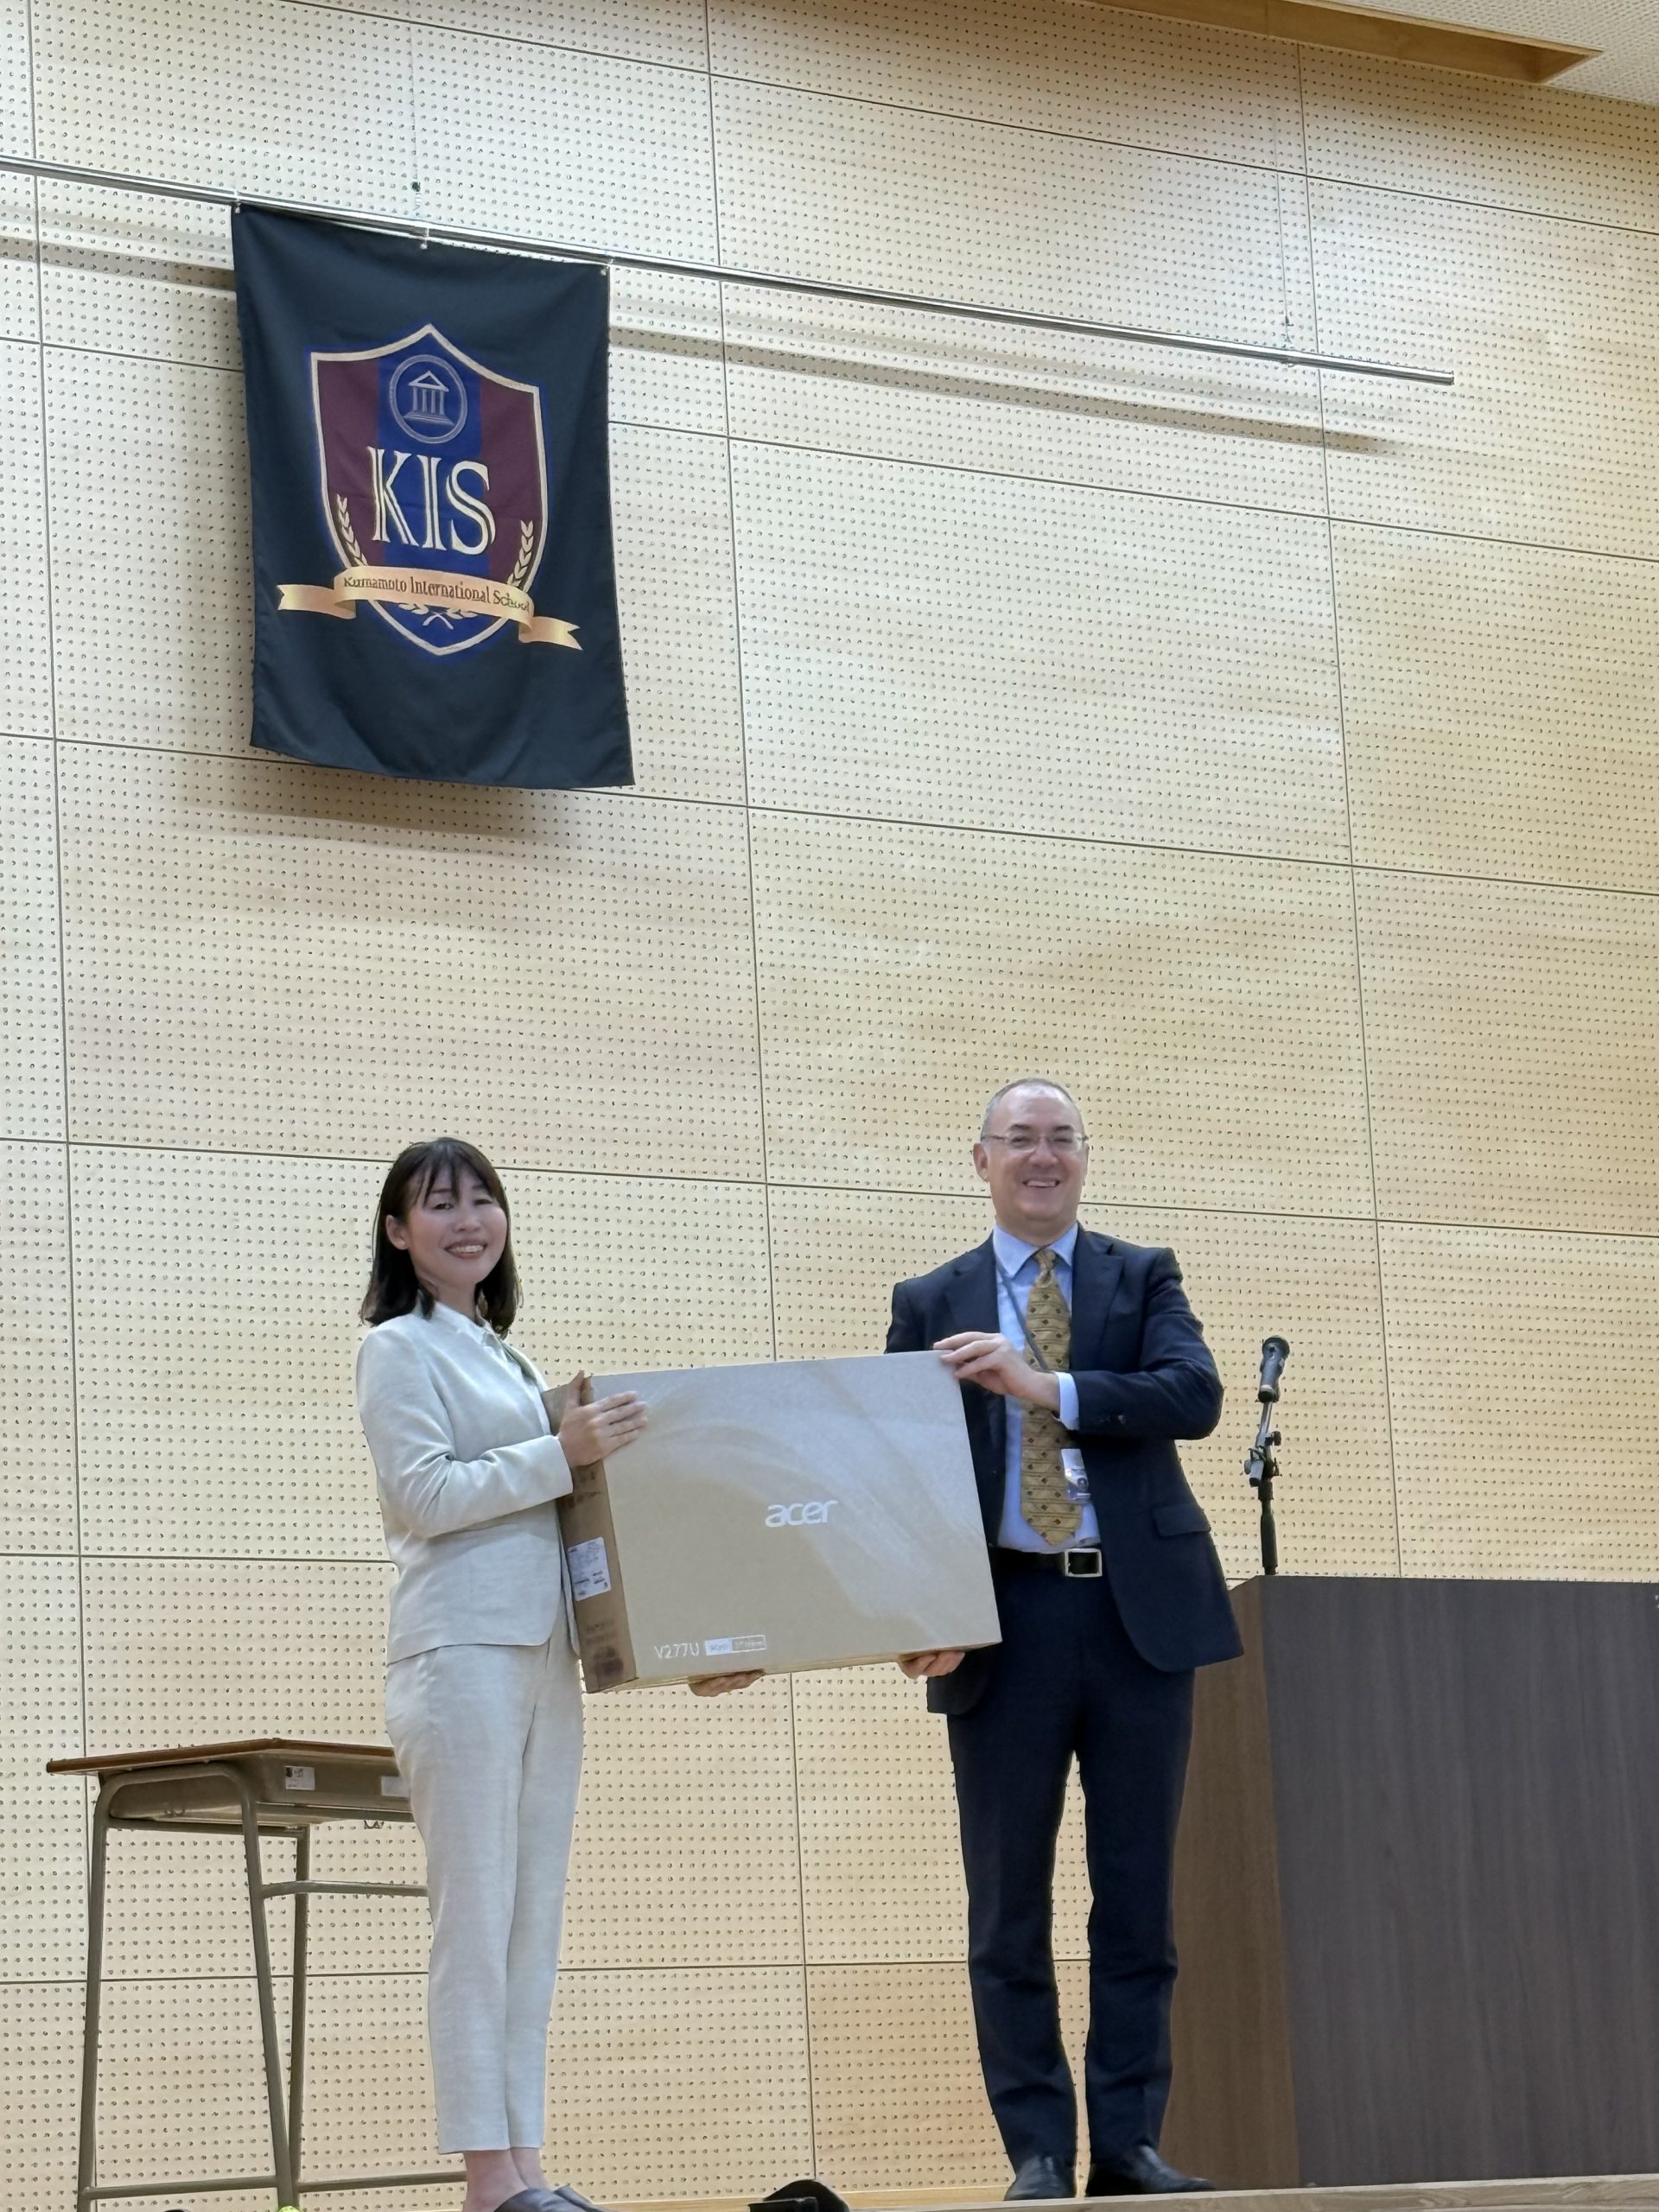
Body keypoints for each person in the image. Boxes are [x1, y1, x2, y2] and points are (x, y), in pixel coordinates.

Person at [356, 1138, 753, 2212]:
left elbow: (582, 1516)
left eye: (482, 1199)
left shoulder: (505, 1355)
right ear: (398, 1230)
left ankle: (523, 2162)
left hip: (543, 1655)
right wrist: (560, 1449)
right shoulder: (397, 1347)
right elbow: (425, 1496)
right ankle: (486, 2175)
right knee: (475, 1917)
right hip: (460, 1654)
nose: (467, 1220)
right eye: (440, 1204)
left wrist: (691, 1643)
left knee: (530, 1917)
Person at [887, 1080, 1241, 2201]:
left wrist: (1044, 1386)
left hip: (1138, 1620)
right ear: (981, 1160)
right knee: (1008, 1906)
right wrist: (920, 1609)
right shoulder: (928, 1299)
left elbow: (1193, 1395)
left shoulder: (1143, 1276)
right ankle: (1037, 2153)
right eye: (1020, 1140)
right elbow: (899, 1469)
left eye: (1062, 1140)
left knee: (1137, 1899)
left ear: (1084, 1158)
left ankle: (1128, 2146)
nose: (1042, 1157)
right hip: (1002, 1626)